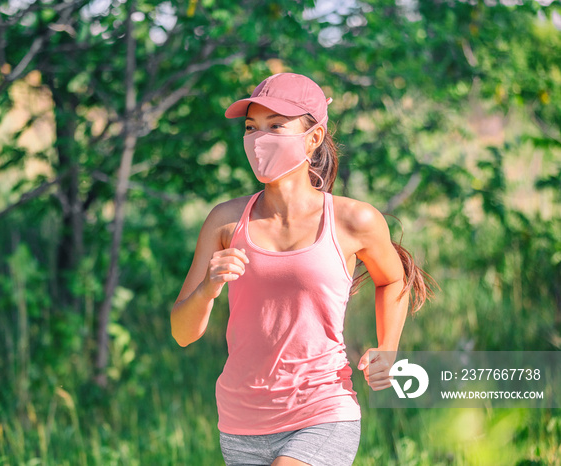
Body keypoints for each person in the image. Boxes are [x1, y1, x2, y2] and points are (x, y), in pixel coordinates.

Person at [170, 73, 433, 466]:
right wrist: (208, 287)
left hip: (322, 409)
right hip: (241, 420)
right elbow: (182, 333)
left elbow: (393, 278)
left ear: (313, 138)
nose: (260, 139)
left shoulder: (353, 219)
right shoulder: (225, 222)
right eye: (250, 128)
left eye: (276, 126)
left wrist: (388, 348)